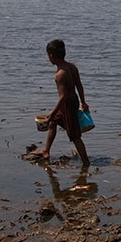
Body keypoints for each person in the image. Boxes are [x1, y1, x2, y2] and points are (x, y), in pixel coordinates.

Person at [31, 39, 91, 167]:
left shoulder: (60, 75)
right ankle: (46, 151)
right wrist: (83, 102)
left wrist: (52, 113)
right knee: (53, 123)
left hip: (67, 106)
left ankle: (86, 162)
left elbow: (63, 97)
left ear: (51, 56)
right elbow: (79, 86)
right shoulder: (72, 67)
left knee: (74, 135)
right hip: (73, 101)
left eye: (48, 55)